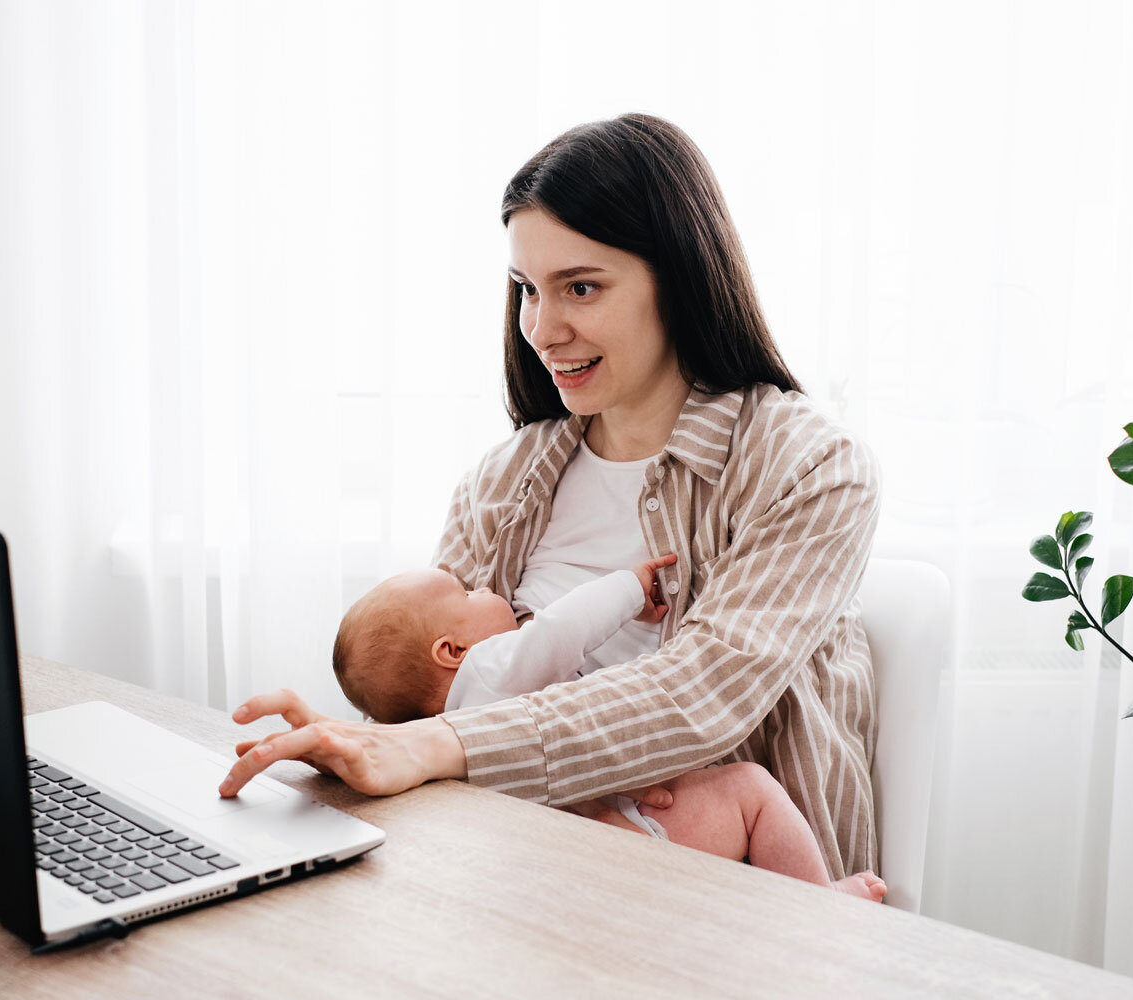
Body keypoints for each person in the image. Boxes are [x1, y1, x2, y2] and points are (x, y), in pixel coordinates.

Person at [220, 111, 882, 885]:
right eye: (527, 290)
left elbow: (702, 695)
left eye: (581, 287)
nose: (541, 327)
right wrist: (352, 741)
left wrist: (440, 748)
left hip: (744, 899)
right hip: (527, 860)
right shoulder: (505, 481)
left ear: (681, 277)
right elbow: (434, 690)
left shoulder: (810, 468)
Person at [329, 555, 888, 899]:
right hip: (629, 826)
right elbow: (560, 629)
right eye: (467, 594)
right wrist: (628, 588)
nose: (483, 588)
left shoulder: (432, 735)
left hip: (573, 864)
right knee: (752, 791)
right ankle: (820, 903)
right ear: (452, 651)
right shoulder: (488, 670)